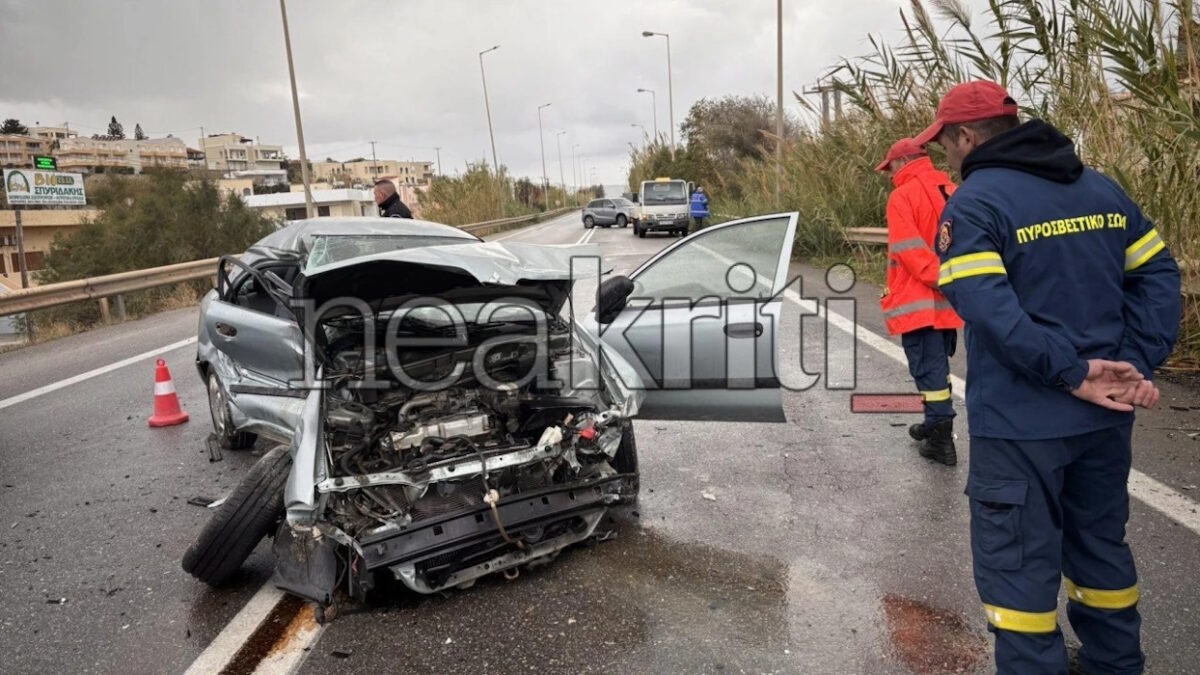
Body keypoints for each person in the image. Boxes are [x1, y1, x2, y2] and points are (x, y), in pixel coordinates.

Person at [916, 80, 1180, 674]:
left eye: (946, 146)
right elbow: (1160, 274)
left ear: (965, 137)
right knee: (1100, 552)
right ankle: (1117, 664)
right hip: (1104, 419)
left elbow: (987, 307)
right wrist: (1133, 362)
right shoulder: (1101, 190)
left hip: (1020, 427)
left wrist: (1071, 372)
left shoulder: (976, 203)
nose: (946, 159)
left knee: (1018, 574)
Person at [875, 137, 964, 466]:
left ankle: (941, 441)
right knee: (938, 368)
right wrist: (953, 282)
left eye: (890, 167)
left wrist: (938, 278)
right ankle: (932, 424)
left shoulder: (902, 196)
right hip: (949, 301)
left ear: (902, 162)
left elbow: (910, 249)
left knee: (929, 370)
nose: (889, 174)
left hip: (920, 300)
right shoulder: (952, 190)